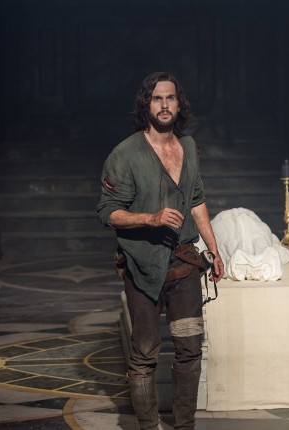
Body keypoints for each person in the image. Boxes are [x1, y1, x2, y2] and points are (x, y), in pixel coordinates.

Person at [97, 71, 224, 430]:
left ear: (179, 104)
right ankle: (148, 426)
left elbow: (196, 201)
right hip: (142, 268)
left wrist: (214, 251)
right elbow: (108, 212)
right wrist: (151, 218)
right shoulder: (126, 154)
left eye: (170, 98)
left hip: (183, 265)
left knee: (189, 347)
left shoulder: (189, 147)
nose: (164, 105)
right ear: (146, 104)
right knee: (144, 353)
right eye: (157, 98)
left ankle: (184, 425)